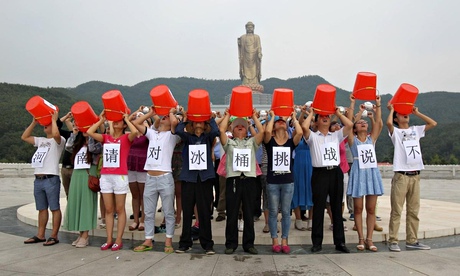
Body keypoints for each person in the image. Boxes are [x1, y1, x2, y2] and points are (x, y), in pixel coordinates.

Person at [386, 103, 437, 252]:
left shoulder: (416, 130)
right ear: (397, 118)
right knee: (397, 210)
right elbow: (389, 123)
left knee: (414, 210)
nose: (405, 115)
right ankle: (393, 240)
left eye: (405, 114)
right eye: (401, 115)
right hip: (401, 175)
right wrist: (392, 110)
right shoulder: (395, 132)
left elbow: (433, 123)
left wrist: (417, 113)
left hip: (415, 175)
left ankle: (412, 240)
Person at [302, 107, 353, 253]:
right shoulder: (312, 136)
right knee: (318, 208)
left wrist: (337, 113)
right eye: (322, 116)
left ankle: (340, 242)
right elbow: (304, 127)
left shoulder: (335, 135)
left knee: (337, 208)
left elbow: (349, 125)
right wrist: (311, 112)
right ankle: (317, 242)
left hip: (335, 172)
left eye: (327, 116)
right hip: (320, 174)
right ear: (316, 121)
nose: (325, 118)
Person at [87, 111, 138, 251]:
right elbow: (90, 132)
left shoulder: (127, 138)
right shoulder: (106, 138)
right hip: (106, 176)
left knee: (119, 209)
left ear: (123, 124)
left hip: (120, 176)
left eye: (118, 121)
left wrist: (127, 119)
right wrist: (101, 119)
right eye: (113, 121)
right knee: (108, 210)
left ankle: (118, 239)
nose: (115, 122)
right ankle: (109, 239)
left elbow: (135, 131)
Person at [132, 107, 180, 253]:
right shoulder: (152, 134)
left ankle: (168, 240)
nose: (164, 118)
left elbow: (175, 122)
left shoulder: (173, 136)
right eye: (163, 116)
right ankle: (148, 239)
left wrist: (171, 112)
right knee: (148, 211)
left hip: (165, 177)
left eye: (166, 117)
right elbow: (137, 123)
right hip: (150, 177)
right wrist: (151, 114)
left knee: (168, 211)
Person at [219, 109, 264, 255]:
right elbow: (221, 130)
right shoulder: (229, 143)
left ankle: (249, 243)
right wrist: (227, 116)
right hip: (233, 179)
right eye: (237, 125)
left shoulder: (251, 142)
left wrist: (252, 119)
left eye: (242, 126)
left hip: (249, 180)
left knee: (249, 212)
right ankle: (231, 243)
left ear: (247, 130)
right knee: (232, 212)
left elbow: (262, 132)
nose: (240, 127)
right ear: (232, 129)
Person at [174, 110, 219, 255]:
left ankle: (207, 244)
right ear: (192, 125)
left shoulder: (208, 137)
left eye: (201, 122)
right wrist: (186, 119)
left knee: (205, 211)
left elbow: (216, 131)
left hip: (205, 178)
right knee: (187, 212)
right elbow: (178, 130)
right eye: (196, 122)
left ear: (205, 125)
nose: (198, 124)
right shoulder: (188, 138)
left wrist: (211, 119)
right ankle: (185, 243)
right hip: (189, 178)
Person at [22, 111, 65, 246]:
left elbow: (57, 134)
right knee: (41, 208)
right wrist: (34, 122)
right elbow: (25, 136)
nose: (45, 126)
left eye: (48, 125)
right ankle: (40, 235)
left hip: (51, 178)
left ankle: (54, 235)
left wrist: (54, 120)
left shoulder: (59, 141)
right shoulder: (41, 141)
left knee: (54, 208)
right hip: (38, 179)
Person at [347, 96, 384, 252]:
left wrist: (378, 106)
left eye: (365, 123)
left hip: (371, 172)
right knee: (358, 208)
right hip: (358, 172)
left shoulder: (371, 139)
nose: (363, 123)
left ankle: (370, 239)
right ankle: (360, 238)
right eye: (360, 123)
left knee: (371, 209)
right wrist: (354, 105)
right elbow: (348, 123)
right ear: (355, 128)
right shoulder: (352, 140)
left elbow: (379, 124)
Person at [264, 111, 303, 254]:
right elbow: (267, 132)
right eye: (278, 122)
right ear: (273, 126)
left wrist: (293, 118)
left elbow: (299, 132)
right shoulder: (269, 141)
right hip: (273, 181)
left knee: (286, 212)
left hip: (288, 181)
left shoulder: (290, 142)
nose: (281, 121)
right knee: (273, 211)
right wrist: (273, 117)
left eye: (283, 121)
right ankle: (275, 240)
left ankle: (285, 240)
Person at [64, 127, 102, 248]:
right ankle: (81, 234)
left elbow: (92, 149)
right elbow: (68, 147)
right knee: (76, 203)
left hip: (89, 174)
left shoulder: (97, 143)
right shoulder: (78, 144)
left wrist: (90, 135)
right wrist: (74, 134)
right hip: (77, 175)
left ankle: (85, 235)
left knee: (86, 204)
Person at [127, 109, 149, 232]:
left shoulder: (147, 134)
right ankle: (135, 220)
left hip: (142, 165)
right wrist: (133, 115)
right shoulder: (131, 133)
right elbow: (126, 123)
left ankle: (143, 220)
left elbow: (149, 130)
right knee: (135, 195)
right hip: (131, 165)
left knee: (143, 195)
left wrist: (145, 122)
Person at [292, 106, 313, 231]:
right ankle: (298, 219)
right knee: (297, 191)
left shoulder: (313, 135)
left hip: (311, 164)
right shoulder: (296, 135)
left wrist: (311, 112)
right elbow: (299, 127)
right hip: (298, 165)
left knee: (312, 191)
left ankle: (311, 219)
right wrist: (302, 113)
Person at [238, 21, 263, 90]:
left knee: (255, 69)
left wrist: (259, 53)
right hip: (245, 56)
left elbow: (259, 47)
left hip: (254, 57)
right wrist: (239, 44)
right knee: (245, 69)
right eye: (248, 27)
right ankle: (246, 81)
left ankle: (255, 82)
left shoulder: (257, 37)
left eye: (251, 27)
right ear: (246, 28)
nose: (249, 29)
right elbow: (241, 48)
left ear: (253, 28)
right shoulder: (243, 37)